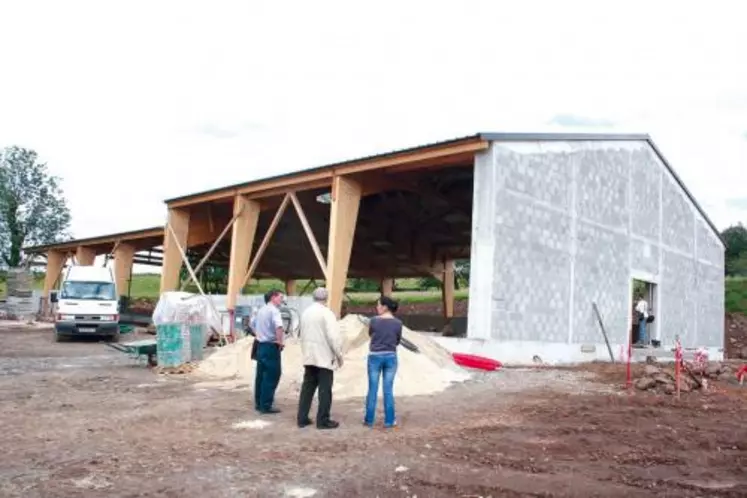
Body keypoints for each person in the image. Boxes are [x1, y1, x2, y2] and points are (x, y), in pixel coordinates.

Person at [296, 287, 344, 430]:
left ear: (313, 297)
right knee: (325, 390)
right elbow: (333, 337)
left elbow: (300, 333)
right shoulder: (327, 313)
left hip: (309, 355)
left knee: (307, 388)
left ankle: (302, 418)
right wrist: (339, 355)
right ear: (326, 298)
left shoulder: (306, 313)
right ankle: (323, 420)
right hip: (324, 356)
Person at [364, 295, 402, 428]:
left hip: (374, 356)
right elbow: (397, 340)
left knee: (372, 388)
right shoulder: (398, 323)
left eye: (379, 305)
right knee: (388, 389)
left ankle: (369, 420)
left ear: (385, 307)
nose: (377, 307)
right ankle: (390, 420)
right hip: (391, 356)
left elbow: (370, 334)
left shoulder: (374, 321)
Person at [253, 289, 285, 414]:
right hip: (271, 346)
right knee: (272, 375)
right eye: (280, 297)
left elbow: (252, 324)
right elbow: (279, 327)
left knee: (260, 375)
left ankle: (258, 403)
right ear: (273, 297)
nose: (281, 300)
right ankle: (266, 405)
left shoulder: (261, 310)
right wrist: (279, 342)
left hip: (260, 345)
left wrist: (260, 335)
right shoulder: (274, 311)